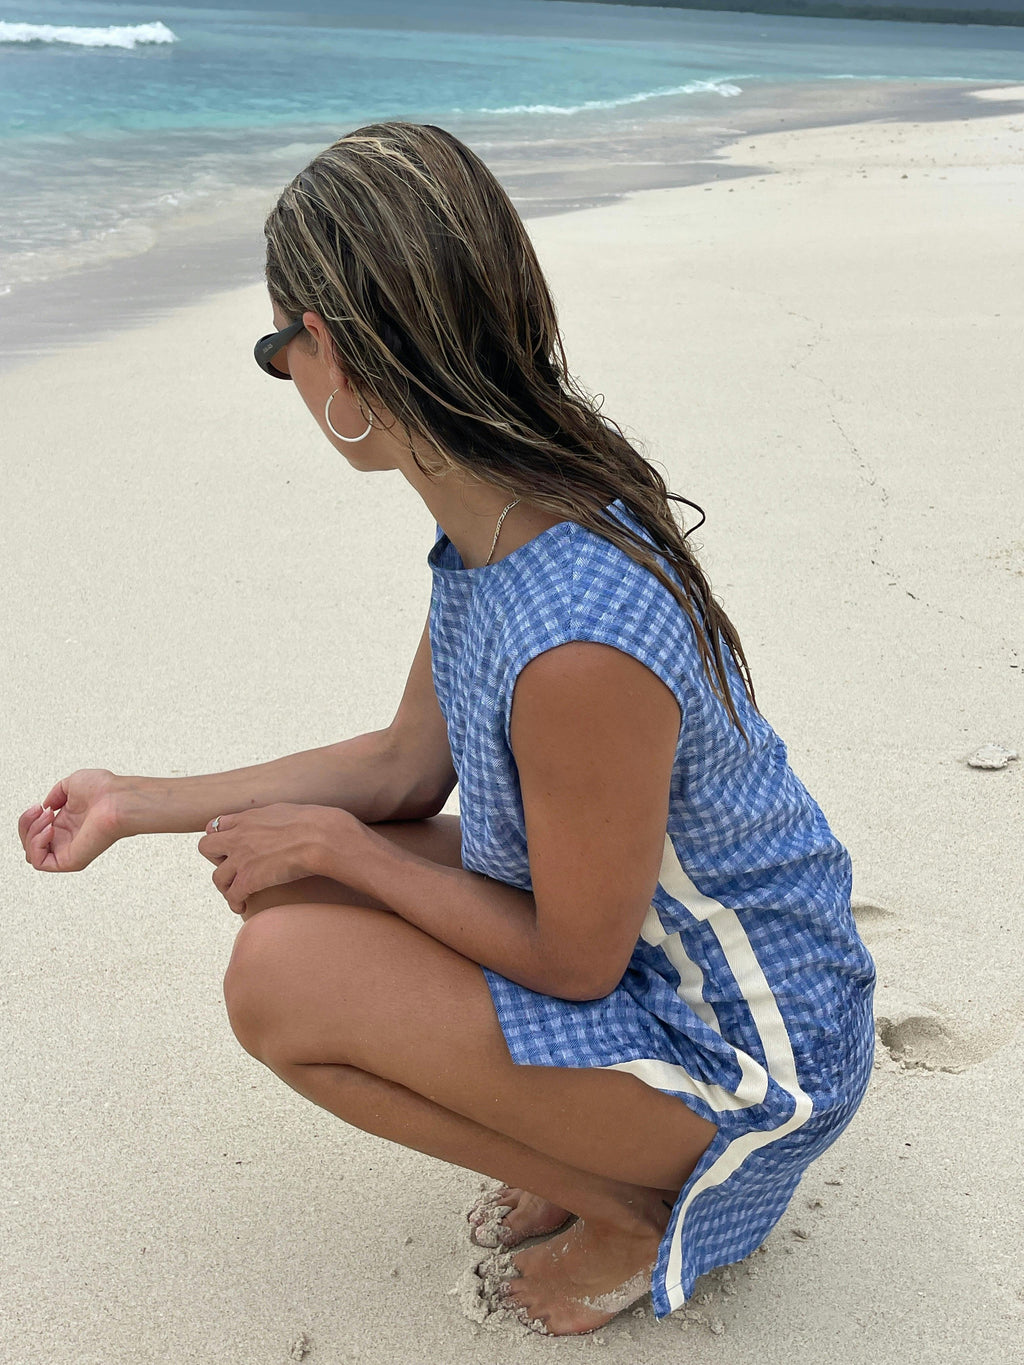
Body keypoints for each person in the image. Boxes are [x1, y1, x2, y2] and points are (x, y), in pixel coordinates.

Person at [18, 121, 876, 1337]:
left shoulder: (575, 638)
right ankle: (582, 1137)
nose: (285, 377)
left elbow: (574, 962)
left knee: (280, 977)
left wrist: (342, 848)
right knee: (289, 883)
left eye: (277, 349)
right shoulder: (509, 512)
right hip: (647, 945)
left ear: (332, 352)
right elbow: (403, 765)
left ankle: (629, 1208)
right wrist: (135, 799)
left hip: (745, 1051)